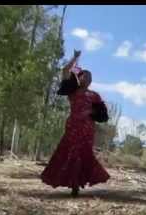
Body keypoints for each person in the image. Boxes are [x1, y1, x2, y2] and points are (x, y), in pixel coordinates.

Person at [41, 50, 110, 197]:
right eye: (84, 74)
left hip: (87, 129)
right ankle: (72, 184)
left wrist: (91, 113)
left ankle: (77, 184)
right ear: (79, 77)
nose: (87, 77)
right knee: (70, 153)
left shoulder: (95, 96)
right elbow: (65, 70)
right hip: (73, 127)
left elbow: (103, 115)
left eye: (89, 76)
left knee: (82, 154)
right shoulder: (73, 91)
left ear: (91, 80)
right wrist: (75, 58)